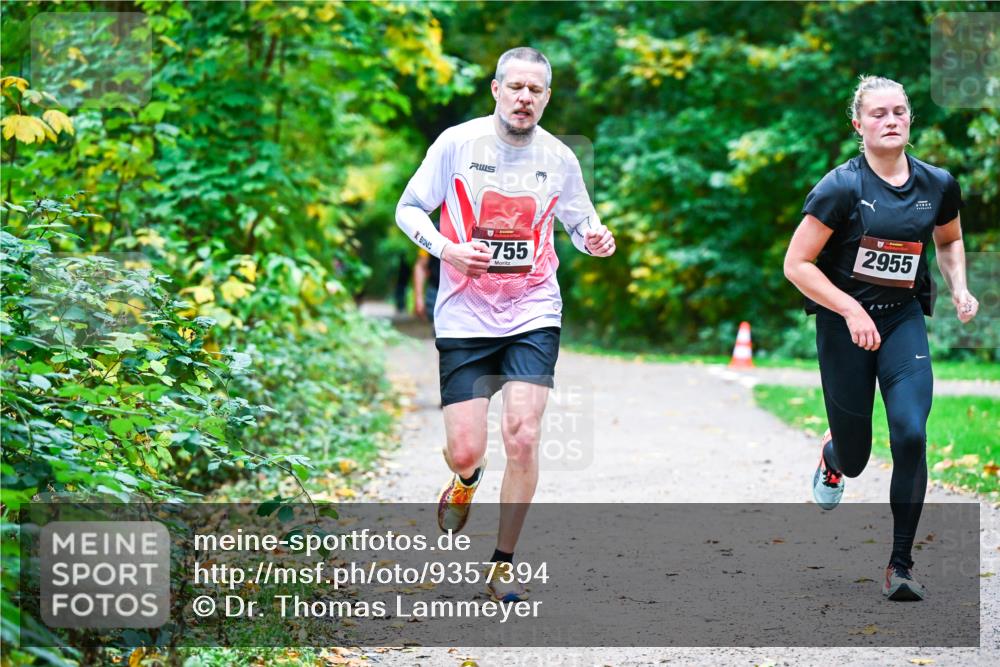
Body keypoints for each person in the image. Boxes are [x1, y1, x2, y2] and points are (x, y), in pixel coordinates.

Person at [395, 46, 615, 603]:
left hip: (532, 310)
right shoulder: (457, 144)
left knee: (523, 434)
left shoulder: (560, 158)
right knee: (466, 450)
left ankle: (501, 565)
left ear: (546, 97)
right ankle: (466, 481)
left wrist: (596, 238)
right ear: (496, 90)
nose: (524, 98)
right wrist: (448, 249)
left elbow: (581, 222)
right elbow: (409, 208)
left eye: (535, 90)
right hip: (465, 313)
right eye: (515, 87)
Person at [784, 75, 979, 601]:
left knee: (912, 433)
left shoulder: (937, 184)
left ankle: (900, 564)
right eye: (878, 114)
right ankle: (832, 457)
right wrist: (849, 309)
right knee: (857, 456)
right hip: (844, 325)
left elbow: (950, 239)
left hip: (900, 320)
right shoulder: (840, 187)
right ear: (858, 124)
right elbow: (796, 264)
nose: (890, 121)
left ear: (910, 118)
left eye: (899, 112)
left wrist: (959, 287)